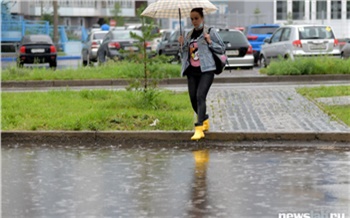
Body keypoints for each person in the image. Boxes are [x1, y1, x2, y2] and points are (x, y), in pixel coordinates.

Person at [178, 7, 225, 140]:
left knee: (200, 96)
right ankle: (204, 118)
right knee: (193, 98)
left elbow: (222, 48)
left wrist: (209, 41)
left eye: (196, 18)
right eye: (192, 19)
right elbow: (183, 54)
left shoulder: (210, 31)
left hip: (207, 70)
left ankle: (199, 128)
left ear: (202, 18)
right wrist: (181, 45)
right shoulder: (188, 34)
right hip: (191, 71)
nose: (194, 21)